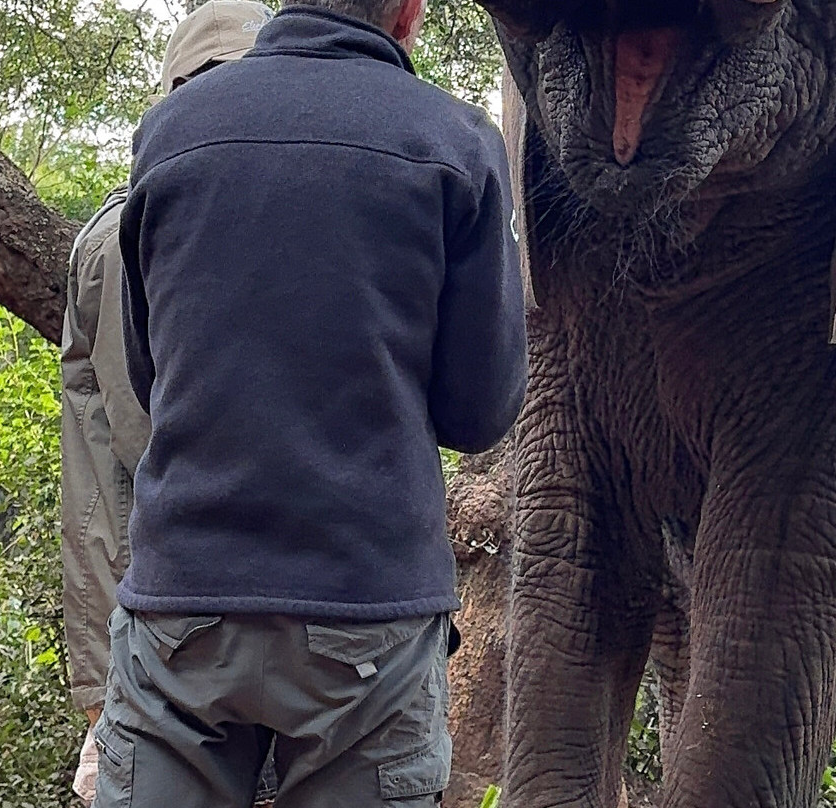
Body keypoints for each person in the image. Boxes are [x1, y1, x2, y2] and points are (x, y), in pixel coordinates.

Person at [92, 0, 529, 804]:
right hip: (366, 607)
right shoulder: (457, 145)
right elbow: (480, 413)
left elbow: (150, 379)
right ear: (409, 13)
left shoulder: (170, 132)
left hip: (184, 600)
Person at [60, 2, 273, 803]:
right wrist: (101, 684)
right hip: (180, 624)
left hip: (178, 619)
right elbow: (133, 455)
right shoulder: (131, 233)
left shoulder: (153, 220)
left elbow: (100, 483)